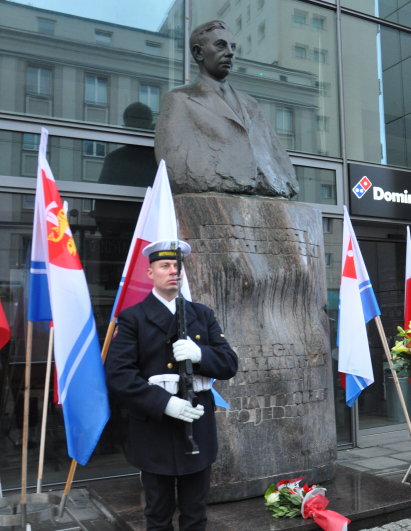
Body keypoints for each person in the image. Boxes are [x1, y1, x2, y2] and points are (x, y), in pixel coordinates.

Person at [105, 240, 238, 530]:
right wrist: (164, 403)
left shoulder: (202, 315)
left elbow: (230, 363)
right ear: (150, 272)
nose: (172, 271)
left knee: (195, 514)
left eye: (177, 266)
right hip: (155, 430)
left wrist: (201, 355)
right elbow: (118, 374)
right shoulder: (132, 318)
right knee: (158, 514)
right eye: (164, 265)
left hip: (197, 426)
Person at [154, 20, 298, 198]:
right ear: (198, 52)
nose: (230, 53)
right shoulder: (179, 99)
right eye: (220, 46)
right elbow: (176, 169)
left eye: (233, 47)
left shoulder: (251, 104)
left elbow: (281, 167)